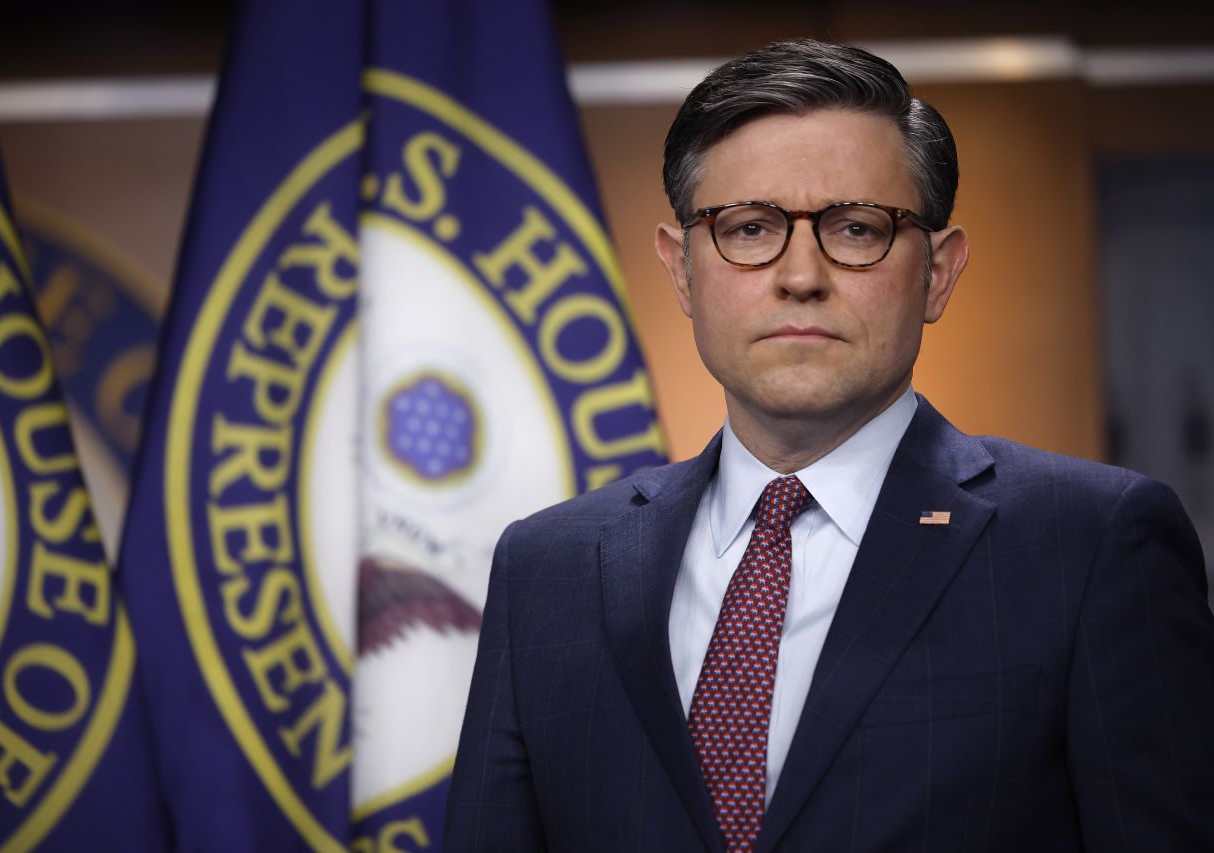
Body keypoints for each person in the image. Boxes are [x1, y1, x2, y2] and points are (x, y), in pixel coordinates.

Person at [443, 39, 1214, 852]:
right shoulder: (548, 568)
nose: (801, 274)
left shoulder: (1090, 544)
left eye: (856, 228)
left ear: (939, 272)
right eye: (748, 228)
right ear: (681, 270)